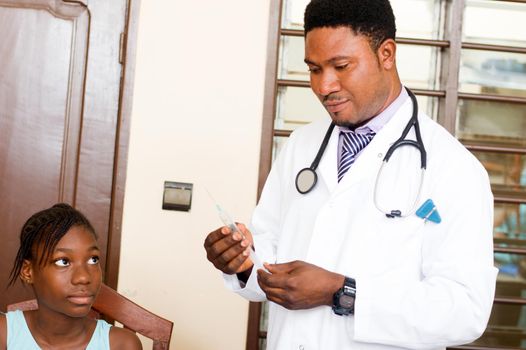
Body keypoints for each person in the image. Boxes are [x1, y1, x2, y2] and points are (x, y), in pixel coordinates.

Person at [204, 0, 498, 349]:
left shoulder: (454, 168)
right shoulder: (302, 145)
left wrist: (342, 292)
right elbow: (271, 260)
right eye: (314, 69)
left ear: (386, 54)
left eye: (341, 66)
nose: (324, 86)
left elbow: (464, 311)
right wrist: (242, 261)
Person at [0, 203, 142, 350]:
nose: (83, 277)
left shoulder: (121, 344)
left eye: (93, 259)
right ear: (28, 272)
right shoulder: (4, 334)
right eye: (63, 261)